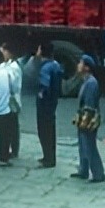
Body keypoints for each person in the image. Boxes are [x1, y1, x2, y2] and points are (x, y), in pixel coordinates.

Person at [70, 55, 105, 183]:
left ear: (86, 67)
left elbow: (89, 106)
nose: (78, 65)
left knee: (89, 145)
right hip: (83, 118)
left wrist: (85, 120)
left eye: (80, 63)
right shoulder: (85, 81)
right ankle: (83, 169)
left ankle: (98, 174)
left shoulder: (91, 83)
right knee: (83, 145)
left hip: (88, 119)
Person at [34, 41, 63, 169]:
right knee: (51, 131)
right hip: (53, 102)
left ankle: (48, 158)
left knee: (43, 131)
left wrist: (40, 96)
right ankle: (51, 156)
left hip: (44, 105)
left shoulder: (45, 68)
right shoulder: (56, 65)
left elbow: (43, 87)